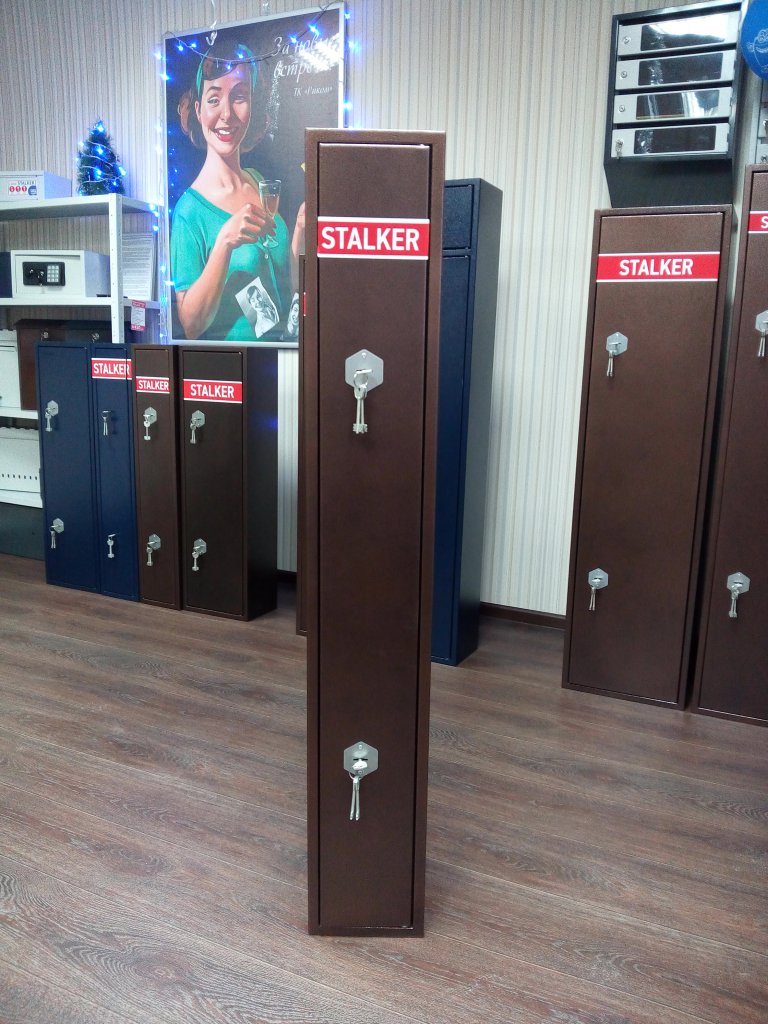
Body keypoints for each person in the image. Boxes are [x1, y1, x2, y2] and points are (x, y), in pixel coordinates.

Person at [171, 43, 304, 341]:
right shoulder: (188, 213)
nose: (227, 114)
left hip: (286, 356)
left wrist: (299, 230)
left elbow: (286, 282)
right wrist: (225, 242)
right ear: (198, 110)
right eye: (214, 99)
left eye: (239, 97)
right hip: (237, 365)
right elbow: (191, 325)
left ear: (252, 106)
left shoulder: (258, 182)